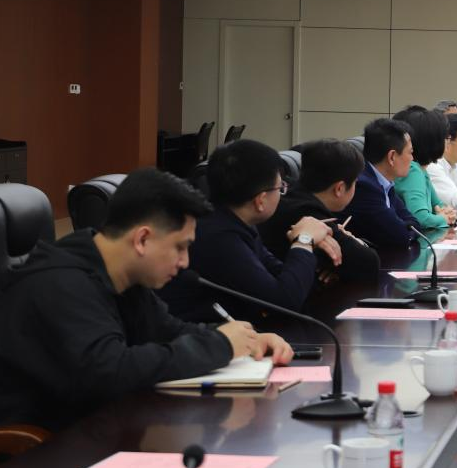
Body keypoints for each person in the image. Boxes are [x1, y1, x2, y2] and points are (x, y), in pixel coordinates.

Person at [0, 169, 291, 468]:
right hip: (13, 467)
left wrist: (241, 339)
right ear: (142, 239)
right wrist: (220, 345)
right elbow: (109, 371)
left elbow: (168, 330)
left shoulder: (120, 276)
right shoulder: (61, 284)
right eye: (180, 247)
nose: (185, 262)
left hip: (77, 439)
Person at [162, 139, 336, 323]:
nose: (282, 193)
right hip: (197, 335)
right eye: (280, 188)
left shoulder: (236, 221)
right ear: (260, 200)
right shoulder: (218, 237)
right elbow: (284, 302)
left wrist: (313, 257)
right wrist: (304, 240)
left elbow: (280, 277)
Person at [260, 139, 381, 286]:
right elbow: (370, 264)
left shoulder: (294, 196)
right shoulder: (308, 213)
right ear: (339, 188)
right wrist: (350, 243)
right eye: (355, 182)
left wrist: (334, 264)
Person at [340, 117, 425, 249]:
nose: (412, 159)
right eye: (410, 152)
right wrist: (406, 231)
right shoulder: (364, 187)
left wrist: (406, 230)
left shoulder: (385, 183)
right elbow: (400, 236)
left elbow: (414, 223)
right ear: (392, 157)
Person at [392, 106, 457, 231]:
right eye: (446, 137)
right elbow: (421, 219)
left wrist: (447, 213)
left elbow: (439, 205)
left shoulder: (422, 169)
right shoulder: (412, 171)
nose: (448, 141)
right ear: (432, 141)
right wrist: (443, 218)